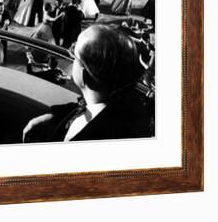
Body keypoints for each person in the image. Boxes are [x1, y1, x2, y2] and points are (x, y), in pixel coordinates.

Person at [22, 25, 153, 143]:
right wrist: (55, 116)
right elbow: (85, 108)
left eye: (74, 55)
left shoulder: (90, 140)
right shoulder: (125, 102)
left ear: (83, 73)